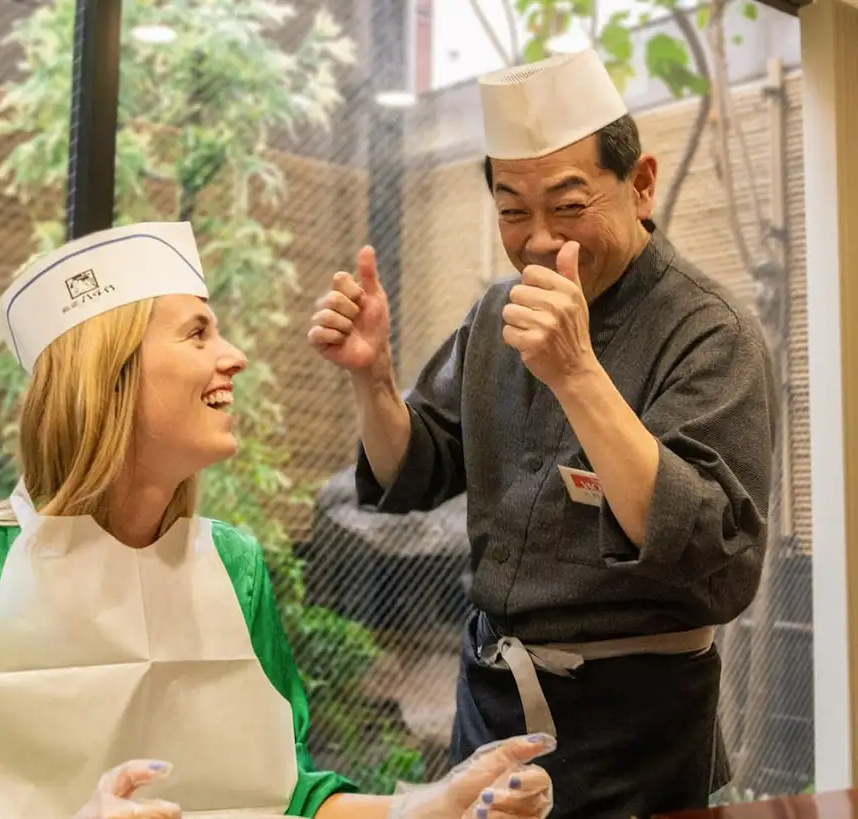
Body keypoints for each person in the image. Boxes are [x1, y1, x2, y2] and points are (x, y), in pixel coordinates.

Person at [0, 222, 555, 819]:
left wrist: (437, 803)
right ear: (111, 375)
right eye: (197, 332)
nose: (234, 356)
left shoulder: (233, 564)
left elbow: (284, 794)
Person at [307, 49, 777, 819]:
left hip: (636, 731)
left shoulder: (708, 331)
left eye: (568, 205)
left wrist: (578, 373)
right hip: (490, 711)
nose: (536, 239)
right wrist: (372, 377)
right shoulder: (498, 313)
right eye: (512, 210)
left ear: (643, 183)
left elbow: (716, 562)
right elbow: (414, 471)